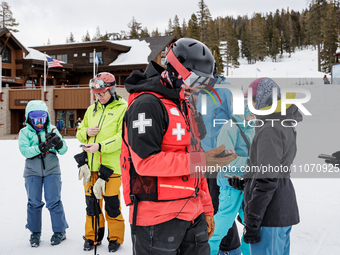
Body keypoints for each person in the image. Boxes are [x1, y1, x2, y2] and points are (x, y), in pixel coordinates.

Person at [121, 38, 236, 255]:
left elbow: (195, 158)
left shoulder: (185, 104)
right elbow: (145, 163)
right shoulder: (147, 105)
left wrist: (207, 209)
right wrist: (200, 160)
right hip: (156, 218)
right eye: (194, 79)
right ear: (174, 70)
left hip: (192, 215)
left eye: (204, 82)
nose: (198, 87)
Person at [229, 77, 300, 255]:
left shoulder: (271, 129)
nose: (250, 106)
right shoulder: (281, 123)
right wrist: (247, 183)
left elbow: (267, 179)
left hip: (270, 214)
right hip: (279, 208)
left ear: (262, 100)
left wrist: (252, 221)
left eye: (252, 101)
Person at [76, 72, 127, 253]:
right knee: (91, 205)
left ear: (112, 89)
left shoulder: (123, 108)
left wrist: (100, 146)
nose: (99, 96)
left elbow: (121, 138)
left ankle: (115, 238)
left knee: (112, 205)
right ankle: (92, 237)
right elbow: (79, 132)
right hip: (90, 168)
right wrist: (86, 133)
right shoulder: (92, 110)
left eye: (102, 93)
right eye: (96, 93)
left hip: (111, 169)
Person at [18, 100, 68, 247]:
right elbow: (25, 151)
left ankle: (60, 231)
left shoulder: (52, 130)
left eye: (42, 119)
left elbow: (64, 150)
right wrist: (41, 147)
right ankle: (35, 232)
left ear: (46, 117)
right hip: (32, 171)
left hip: (52, 170)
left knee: (54, 201)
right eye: (35, 120)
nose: (39, 123)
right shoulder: (24, 132)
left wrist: (58, 143)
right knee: (33, 202)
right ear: (29, 118)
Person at [208, 105, 255, 255]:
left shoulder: (250, 128)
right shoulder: (229, 128)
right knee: (223, 222)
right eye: (252, 112)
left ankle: (250, 252)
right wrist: (251, 163)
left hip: (245, 183)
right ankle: (207, 250)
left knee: (251, 222)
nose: (255, 116)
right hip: (230, 183)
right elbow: (224, 159)